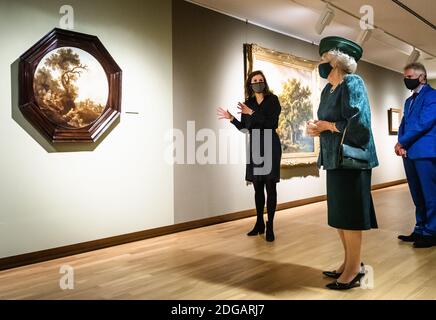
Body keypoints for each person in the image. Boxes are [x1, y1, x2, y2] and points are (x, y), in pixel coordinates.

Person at [307, 36, 379, 290]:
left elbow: (360, 124)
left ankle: (354, 268)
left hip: (352, 159)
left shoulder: (353, 82)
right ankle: (350, 262)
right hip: (334, 159)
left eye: (325, 58)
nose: (322, 64)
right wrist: (317, 128)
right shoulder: (328, 89)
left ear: (337, 61)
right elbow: (326, 121)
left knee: (351, 216)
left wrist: (330, 126)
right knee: (340, 215)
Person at [217, 71, 282, 242]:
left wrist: (252, 113)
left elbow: (272, 124)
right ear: (250, 84)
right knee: (258, 187)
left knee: (270, 187)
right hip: (255, 146)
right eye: (255, 80)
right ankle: (259, 222)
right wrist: (232, 119)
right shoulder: (248, 103)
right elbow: (245, 128)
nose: (258, 82)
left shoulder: (272, 100)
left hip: (271, 144)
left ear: (264, 82)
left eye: (261, 80)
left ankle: (270, 225)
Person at [396, 62, 436, 248]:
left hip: (426, 152)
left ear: (422, 77)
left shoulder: (433, 96)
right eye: (405, 77)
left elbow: (423, 123)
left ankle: (432, 232)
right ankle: (420, 228)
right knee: (416, 194)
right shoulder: (408, 101)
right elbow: (404, 124)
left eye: (410, 77)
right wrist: (401, 143)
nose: (407, 80)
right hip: (410, 153)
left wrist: (403, 142)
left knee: (430, 194)